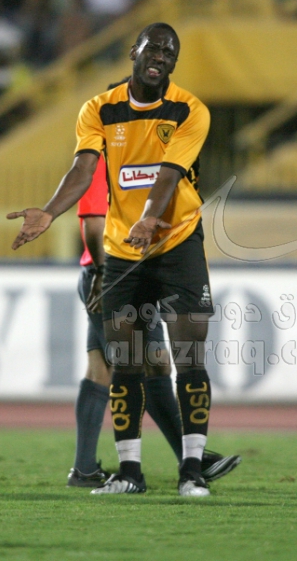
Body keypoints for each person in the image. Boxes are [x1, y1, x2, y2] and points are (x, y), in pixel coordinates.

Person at [8, 22, 221, 498]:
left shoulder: (189, 110)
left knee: (189, 358)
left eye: (170, 52)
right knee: (124, 362)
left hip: (178, 242)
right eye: (154, 48)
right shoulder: (98, 109)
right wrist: (50, 211)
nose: (160, 56)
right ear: (133, 50)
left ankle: (192, 471)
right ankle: (129, 473)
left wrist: (149, 218)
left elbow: (169, 174)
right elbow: (83, 168)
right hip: (123, 251)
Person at [68, 148, 241, 487]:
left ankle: (84, 468)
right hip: (112, 274)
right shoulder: (102, 161)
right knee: (150, 362)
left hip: (125, 271)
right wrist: (104, 274)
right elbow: (93, 220)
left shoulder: (135, 160)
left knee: (103, 366)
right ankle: (189, 458)